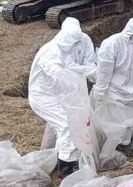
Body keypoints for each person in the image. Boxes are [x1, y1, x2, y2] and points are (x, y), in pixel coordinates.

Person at [28, 18, 95, 178]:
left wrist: (95, 75)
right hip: (45, 97)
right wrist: (74, 77)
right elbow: (57, 74)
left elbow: (88, 63)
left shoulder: (82, 40)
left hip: (65, 94)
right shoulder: (50, 51)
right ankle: (65, 169)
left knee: (70, 125)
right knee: (65, 125)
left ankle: (61, 158)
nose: (71, 48)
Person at [92, 17, 133, 109]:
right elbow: (104, 72)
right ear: (129, 31)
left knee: (131, 121)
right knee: (113, 121)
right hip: (114, 94)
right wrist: (100, 93)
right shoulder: (112, 44)